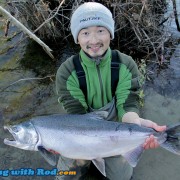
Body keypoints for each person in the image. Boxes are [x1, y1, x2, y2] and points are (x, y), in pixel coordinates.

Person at [55, 2, 166, 180]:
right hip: (81, 131)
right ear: (77, 38)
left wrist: (135, 123)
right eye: (85, 33)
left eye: (101, 30)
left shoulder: (126, 64)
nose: (93, 40)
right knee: (66, 176)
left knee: (122, 177)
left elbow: (127, 103)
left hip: (117, 129)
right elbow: (75, 113)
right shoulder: (67, 72)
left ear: (110, 33)